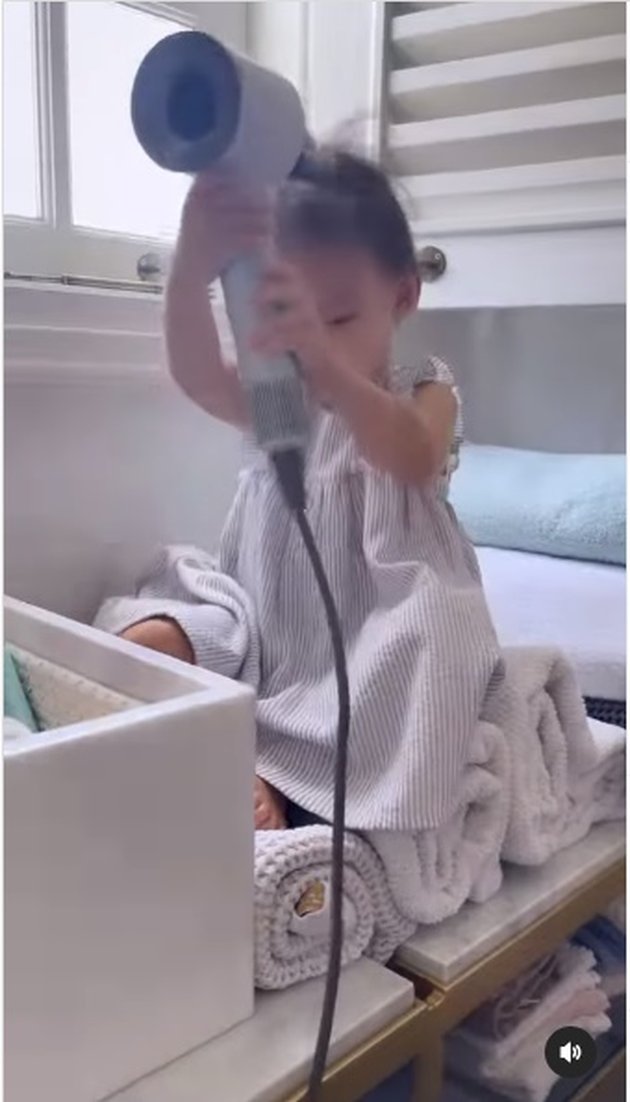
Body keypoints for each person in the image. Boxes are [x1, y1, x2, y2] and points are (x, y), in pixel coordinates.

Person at [97, 149, 502, 833]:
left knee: (430, 657)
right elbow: (196, 372)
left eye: (336, 320)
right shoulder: (275, 398)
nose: (307, 342)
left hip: (379, 617)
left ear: (403, 296)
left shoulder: (423, 390)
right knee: (157, 632)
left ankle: (280, 776)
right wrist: (193, 264)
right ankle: (234, 747)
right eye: (289, 319)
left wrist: (330, 370)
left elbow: (413, 455)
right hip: (270, 610)